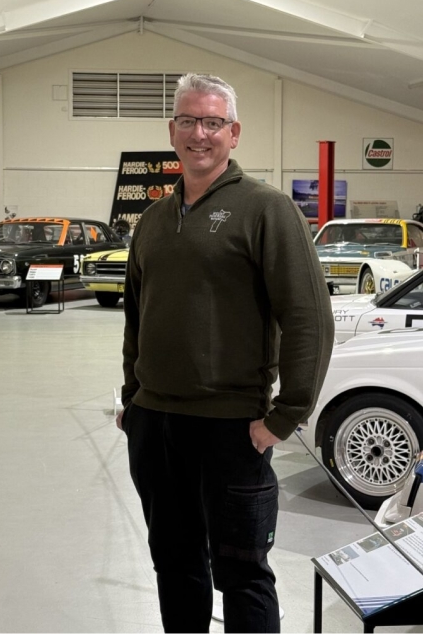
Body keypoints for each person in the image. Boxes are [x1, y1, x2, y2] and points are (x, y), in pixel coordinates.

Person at [117, 73, 334, 633]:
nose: (200, 133)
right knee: (175, 564)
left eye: (213, 122)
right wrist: (132, 401)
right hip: (156, 426)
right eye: (188, 120)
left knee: (242, 574)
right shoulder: (154, 220)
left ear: (233, 133)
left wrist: (286, 416)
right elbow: (136, 318)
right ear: (173, 131)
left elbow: (308, 315)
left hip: (232, 428)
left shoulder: (266, 209)